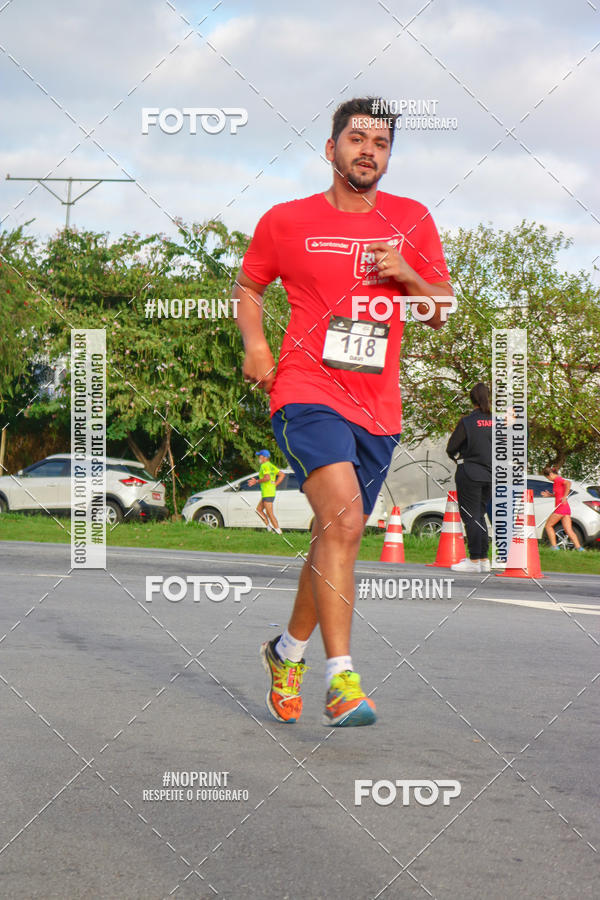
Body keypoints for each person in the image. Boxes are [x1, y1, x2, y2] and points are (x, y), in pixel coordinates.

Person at [234, 97, 453, 727]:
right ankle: (343, 679)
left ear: (388, 157)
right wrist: (256, 342)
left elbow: (440, 306)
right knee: (348, 522)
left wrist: (406, 272)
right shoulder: (286, 220)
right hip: (305, 390)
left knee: (336, 532)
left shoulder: (412, 218)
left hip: (378, 408)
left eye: (381, 142)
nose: (369, 150)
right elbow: (250, 286)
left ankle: (286, 651)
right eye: (357, 138)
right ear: (331, 149)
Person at [446, 383, 492, 573]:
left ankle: (474, 560)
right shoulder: (498, 421)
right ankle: (483, 559)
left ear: (471, 399)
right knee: (480, 515)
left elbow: (451, 447)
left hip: (470, 472)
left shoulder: (467, 421)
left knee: (471, 516)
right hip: (490, 474)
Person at [541, 465, 584, 551]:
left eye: (547, 477)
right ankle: (580, 548)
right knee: (568, 530)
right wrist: (550, 495)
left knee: (548, 526)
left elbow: (568, 483)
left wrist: (565, 496)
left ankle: (554, 547)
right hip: (565, 508)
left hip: (560, 508)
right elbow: (558, 494)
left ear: (550, 474)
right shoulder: (556, 481)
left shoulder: (558, 479)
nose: (548, 479)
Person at [247, 449, 284, 533]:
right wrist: (275, 484)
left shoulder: (264, 466)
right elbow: (282, 474)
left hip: (268, 493)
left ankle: (278, 531)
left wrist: (256, 481)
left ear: (264, 457)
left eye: (259, 456)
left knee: (270, 513)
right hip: (268, 492)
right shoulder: (270, 465)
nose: (258, 458)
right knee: (259, 510)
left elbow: (267, 478)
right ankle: (269, 528)